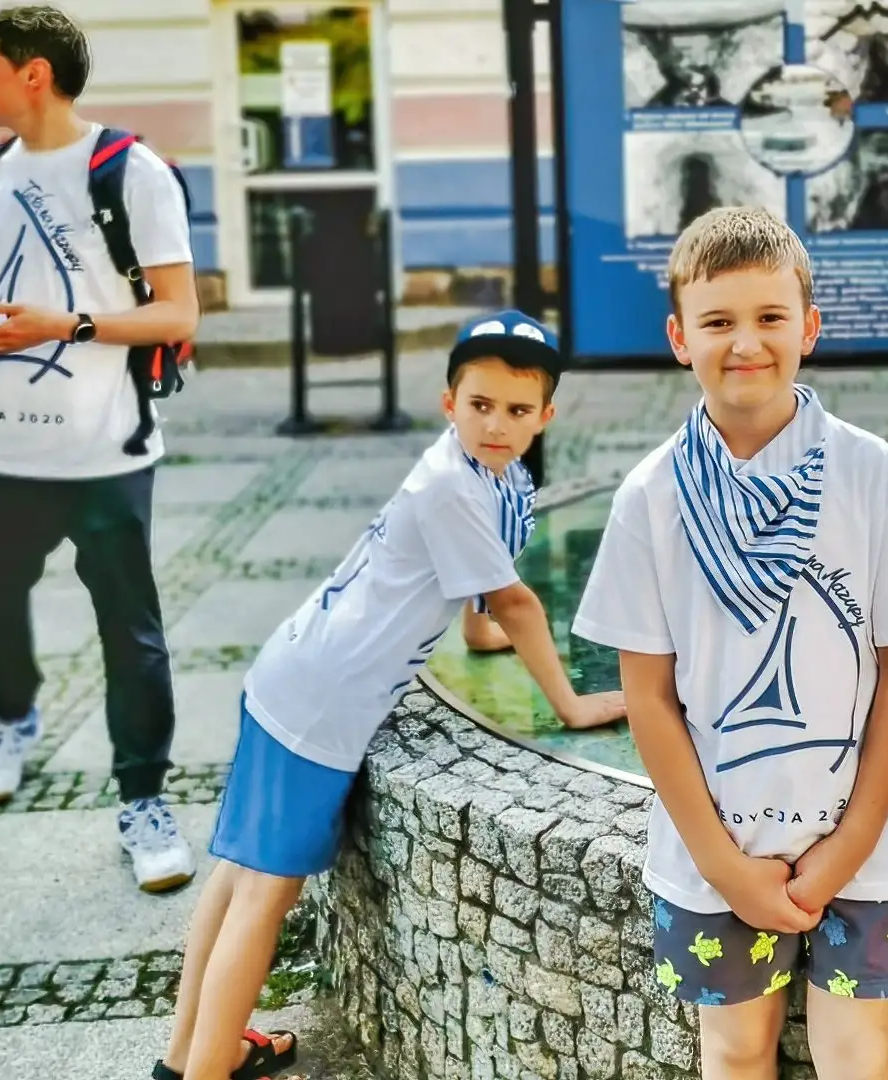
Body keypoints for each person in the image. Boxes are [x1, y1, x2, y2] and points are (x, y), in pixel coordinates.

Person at [152, 310, 628, 1080]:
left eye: (516, 410)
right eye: (480, 405)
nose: (496, 425)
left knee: (241, 876)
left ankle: (189, 1054)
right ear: (449, 403)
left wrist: (478, 638)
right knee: (265, 895)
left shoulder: (491, 477)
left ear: (545, 415)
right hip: (317, 709)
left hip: (295, 678)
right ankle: (204, 1069)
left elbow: (479, 591)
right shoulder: (452, 486)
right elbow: (516, 603)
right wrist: (571, 705)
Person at [573, 205, 888, 1079]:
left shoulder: (869, 474)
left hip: (866, 853)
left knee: (856, 1050)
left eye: (769, 317)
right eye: (718, 321)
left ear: (808, 328)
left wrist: (849, 845)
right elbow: (649, 697)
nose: (746, 343)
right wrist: (725, 865)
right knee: (737, 1048)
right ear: (680, 338)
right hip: (715, 854)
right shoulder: (652, 498)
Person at [0, 5, 202, 893]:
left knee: (130, 633)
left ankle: (144, 801)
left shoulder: (130, 171)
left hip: (104, 452)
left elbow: (178, 314)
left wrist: (63, 324)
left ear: (35, 74)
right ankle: (13, 721)